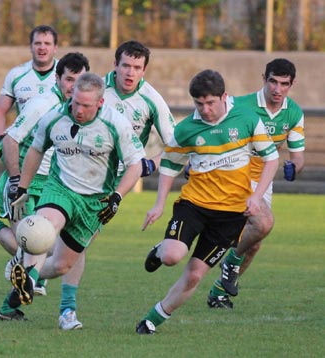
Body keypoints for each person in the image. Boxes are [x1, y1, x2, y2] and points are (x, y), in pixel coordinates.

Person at [135, 69, 279, 334]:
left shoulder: (247, 119)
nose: (205, 109)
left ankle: (152, 320)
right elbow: (168, 165)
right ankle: (160, 249)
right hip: (194, 205)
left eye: (210, 103)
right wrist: (158, 204)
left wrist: (256, 197)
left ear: (224, 97)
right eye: (199, 104)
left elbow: (271, 158)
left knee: (194, 275)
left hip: (231, 216)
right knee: (171, 256)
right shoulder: (188, 128)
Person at [46, 40, 177, 329]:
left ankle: (28, 276)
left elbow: (176, 144)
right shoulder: (93, 88)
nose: (130, 73)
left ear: (144, 70)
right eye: (126, 65)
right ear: (115, 65)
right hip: (71, 171)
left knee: (73, 248)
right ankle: (65, 308)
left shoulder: (152, 100)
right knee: (68, 245)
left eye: (137, 68)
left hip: (111, 185)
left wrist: (151, 163)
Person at [0, 72, 145, 328]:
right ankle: (64, 309)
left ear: (100, 103)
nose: (78, 109)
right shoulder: (55, 116)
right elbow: (36, 149)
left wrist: (117, 197)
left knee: (62, 266)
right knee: (44, 229)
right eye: (76, 102)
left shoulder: (116, 123)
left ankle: (26, 280)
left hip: (95, 202)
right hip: (60, 189)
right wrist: (22, 186)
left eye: (86, 105)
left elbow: (135, 164)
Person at [0, 52, 90, 312]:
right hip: (23, 184)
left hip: (52, 187)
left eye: (79, 81)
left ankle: (15, 302)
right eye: (68, 79)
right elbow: (10, 139)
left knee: (51, 250)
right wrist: (15, 182)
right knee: (33, 246)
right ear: (57, 79)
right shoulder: (42, 105)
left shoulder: (80, 109)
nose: (73, 86)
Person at [206, 58, 305, 308]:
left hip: (263, 180)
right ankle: (227, 260)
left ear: (291, 85)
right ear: (264, 79)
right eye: (273, 81)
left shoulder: (293, 113)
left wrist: (294, 168)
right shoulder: (240, 105)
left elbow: (298, 156)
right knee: (262, 223)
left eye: (284, 84)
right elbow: (213, 128)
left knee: (255, 242)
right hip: (233, 174)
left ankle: (219, 291)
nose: (277, 89)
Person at [0, 25, 58, 148]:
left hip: (57, 148)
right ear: (31, 47)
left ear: (55, 48)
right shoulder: (16, 74)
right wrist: (1, 140)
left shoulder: (66, 75)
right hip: (24, 148)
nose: (42, 47)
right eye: (37, 43)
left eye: (47, 43)